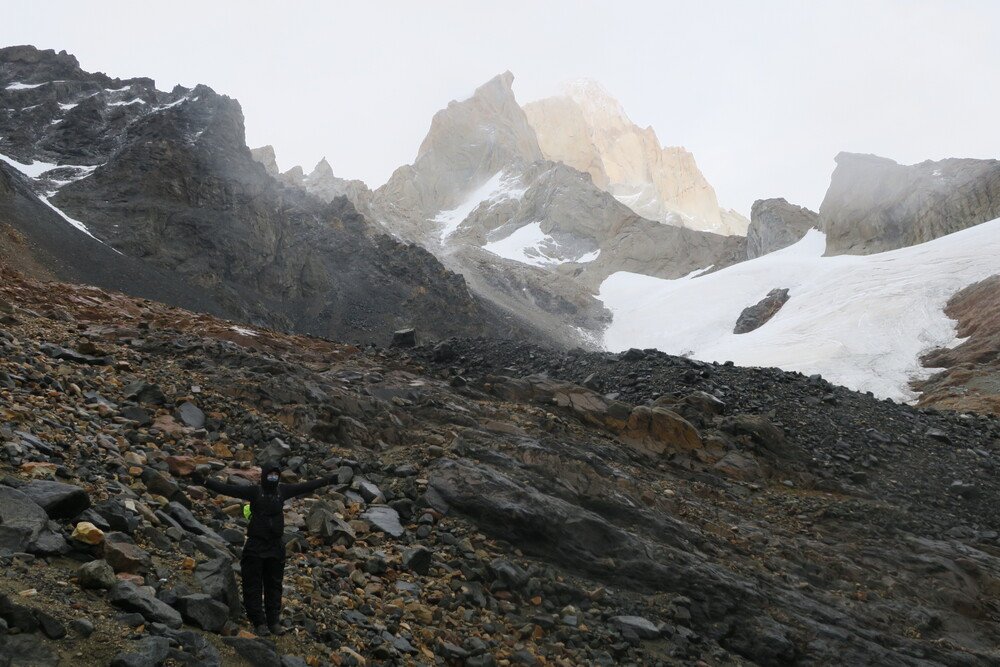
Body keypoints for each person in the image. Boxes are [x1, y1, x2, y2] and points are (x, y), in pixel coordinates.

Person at [200, 461, 335, 636]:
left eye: (276, 475)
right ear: (264, 475)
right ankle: (259, 623)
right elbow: (227, 489)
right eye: (270, 474)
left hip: (275, 547)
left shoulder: (282, 491)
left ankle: (274, 622)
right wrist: (204, 482)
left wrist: (329, 480)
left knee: (274, 586)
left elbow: (306, 486)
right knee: (253, 585)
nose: (273, 478)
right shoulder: (254, 491)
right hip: (255, 546)